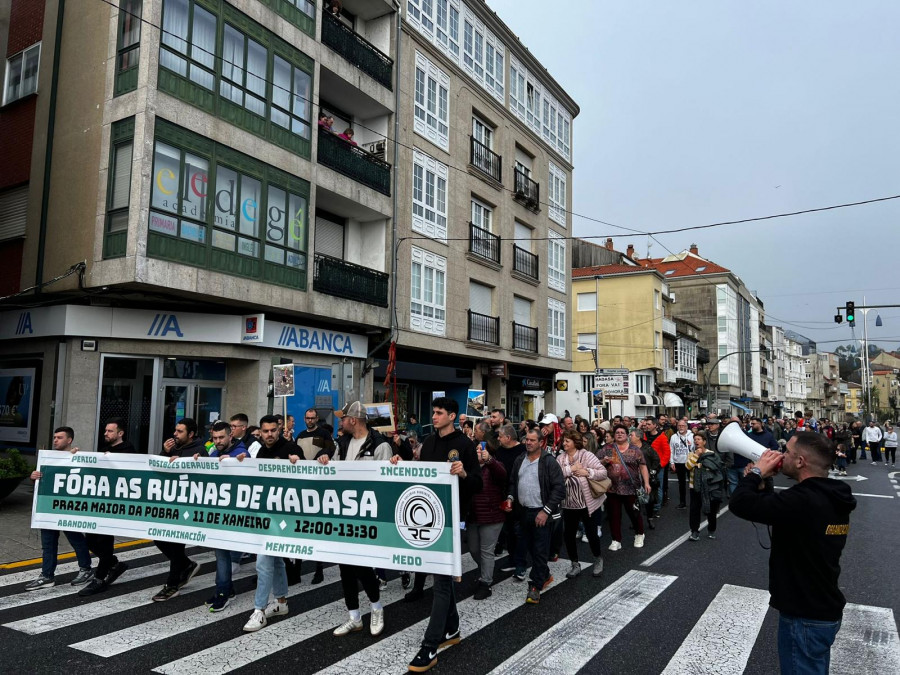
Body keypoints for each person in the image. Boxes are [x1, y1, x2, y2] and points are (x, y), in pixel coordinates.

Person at [730, 432, 857, 674]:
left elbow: (740, 504)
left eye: (787, 452)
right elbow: (778, 510)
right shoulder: (831, 495)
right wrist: (762, 483)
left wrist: (756, 473)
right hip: (820, 607)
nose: (781, 455)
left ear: (800, 462)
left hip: (804, 615)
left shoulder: (803, 500)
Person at [394, 397, 480, 673]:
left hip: (451, 521)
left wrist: (464, 472)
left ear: (452, 416)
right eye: (433, 411)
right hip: (427, 521)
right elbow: (420, 474)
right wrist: (400, 462)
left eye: (440, 412)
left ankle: (430, 645)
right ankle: (452, 628)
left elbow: (477, 483)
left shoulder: (465, 445)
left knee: (441, 582)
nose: (434, 416)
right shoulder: (429, 442)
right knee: (439, 577)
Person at [316, 402, 389, 637]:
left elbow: (387, 480)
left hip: (367, 515)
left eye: (343, 418)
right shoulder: (343, 443)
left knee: (361, 565)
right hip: (344, 512)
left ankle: (376, 607)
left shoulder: (379, 444)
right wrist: (324, 457)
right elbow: (332, 466)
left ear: (353, 420)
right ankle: (354, 616)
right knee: (345, 567)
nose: (340, 421)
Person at [242, 415, 295, 632]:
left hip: (283, 517)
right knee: (276, 561)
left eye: (273, 430)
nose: (270, 434)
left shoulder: (291, 448)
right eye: (265, 431)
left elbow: (305, 469)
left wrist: (295, 462)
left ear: (279, 428)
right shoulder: (260, 451)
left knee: (263, 561)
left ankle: (259, 610)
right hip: (266, 515)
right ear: (260, 432)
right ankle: (281, 602)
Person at [26, 427, 94, 590]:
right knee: (48, 544)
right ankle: (47, 575)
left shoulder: (77, 457)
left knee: (76, 539)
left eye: (60, 437)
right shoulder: (48, 458)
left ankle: (86, 569)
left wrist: (78, 455)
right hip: (49, 507)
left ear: (69, 440)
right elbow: (40, 484)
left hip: (67, 508)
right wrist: (34, 477)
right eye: (54, 437)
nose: (55, 440)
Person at [150, 417, 209, 602]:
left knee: (175, 545)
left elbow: (204, 476)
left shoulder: (200, 450)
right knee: (159, 537)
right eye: (175, 430)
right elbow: (160, 470)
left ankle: (172, 584)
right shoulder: (173, 448)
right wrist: (165, 453)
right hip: (171, 503)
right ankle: (187, 565)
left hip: (187, 506)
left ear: (190, 434)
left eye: (180, 431)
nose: (175, 434)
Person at [78, 417, 137, 596]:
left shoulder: (128, 450)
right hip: (100, 502)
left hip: (115, 504)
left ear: (120, 433)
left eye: (110, 431)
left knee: (104, 542)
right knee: (90, 540)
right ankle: (114, 564)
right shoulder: (105, 450)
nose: (106, 433)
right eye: (105, 431)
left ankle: (100, 578)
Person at [506, 429, 564, 603]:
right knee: (529, 547)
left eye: (532, 440)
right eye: (527, 440)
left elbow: (559, 488)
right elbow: (512, 483)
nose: (528, 443)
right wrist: (510, 497)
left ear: (540, 442)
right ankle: (544, 574)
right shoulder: (519, 460)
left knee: (540, 550)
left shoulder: (549, 462)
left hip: (541, 512)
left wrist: (546, 511)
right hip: (523, 512)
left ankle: (535, 587)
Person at [197, 421, 247, 611]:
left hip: (234, 513)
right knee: (221, 552)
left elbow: (245, 462)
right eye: (215, 438)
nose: (217, 441)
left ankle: (222, 592)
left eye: (221, 438)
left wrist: (235, 461)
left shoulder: (242, 452)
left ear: (230, 436)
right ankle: (227, 589)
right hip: (220, 511)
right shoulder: (214, 453)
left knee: (222, 553)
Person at [556, 430, 606, 578]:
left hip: (587, 503)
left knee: (591, 534)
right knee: (569, 535)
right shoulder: (560, 458)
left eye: (567, 441)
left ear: (575, 442)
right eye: (564, 441)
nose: (564, 443)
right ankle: (575, 564)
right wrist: (571, 469)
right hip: (569, 503)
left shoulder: (586, 455)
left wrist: (587, 472)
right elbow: (556, 476)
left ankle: (598, 559)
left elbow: (602, 472)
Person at [466, 438, 508, 600]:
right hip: (473, 516)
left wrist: (489, 460)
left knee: (486, 550)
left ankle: (486, 583)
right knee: (473, 548)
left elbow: (502, 475)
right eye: (475, 449)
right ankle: (485, 571)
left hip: (492, 516)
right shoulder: (470, 468)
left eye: (480, 449)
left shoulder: (494, 466)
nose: (477, 452)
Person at [598, 424, 650, 550]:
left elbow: (643, 466)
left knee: (634, 513)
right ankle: (616, 540)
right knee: (614, 515)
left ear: (627, 435)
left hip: (631, 487)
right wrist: (604, 461)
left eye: (622, 432)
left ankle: (639, 534)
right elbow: (596, 463)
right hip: (612, 488)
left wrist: (646, 483)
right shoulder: (609, 448)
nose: (619, 434)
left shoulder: (635, 449)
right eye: (617, 432)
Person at [686, 432, 725, 541]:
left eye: (699, 439)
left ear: (704, 441)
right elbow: (688, 466)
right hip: (695, 487)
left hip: (709, 487)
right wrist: (696, 456)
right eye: (695, 439)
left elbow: (717, 467)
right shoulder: (691, 454)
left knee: (711, 510)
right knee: (694, 510)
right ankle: (694, 531)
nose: (696, 441)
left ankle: (711, 529)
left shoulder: (711, 454)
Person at [643, 418, 671, 515]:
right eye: (646, 424)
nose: (647, 426)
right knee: (645, 486)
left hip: (657, 466)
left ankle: (656, 507)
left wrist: (660, 465)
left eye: (649, 424)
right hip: (645, 466)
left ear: (655, 425)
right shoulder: (644, 436)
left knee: (657, 487)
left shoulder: (662, 437)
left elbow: (667, 453)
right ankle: (647, 505)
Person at [669, 419, 694, 509]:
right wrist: (672, 462)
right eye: (679, 425)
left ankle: (693, 502)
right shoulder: (673, 437)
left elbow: (695, 449)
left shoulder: (692, 436)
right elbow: (671, 450)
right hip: (678, 462)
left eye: (683, 425)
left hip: (690, 462)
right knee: (681, 484)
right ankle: (682, 502)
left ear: (687, 427)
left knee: (692, 484)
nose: (681, 427)